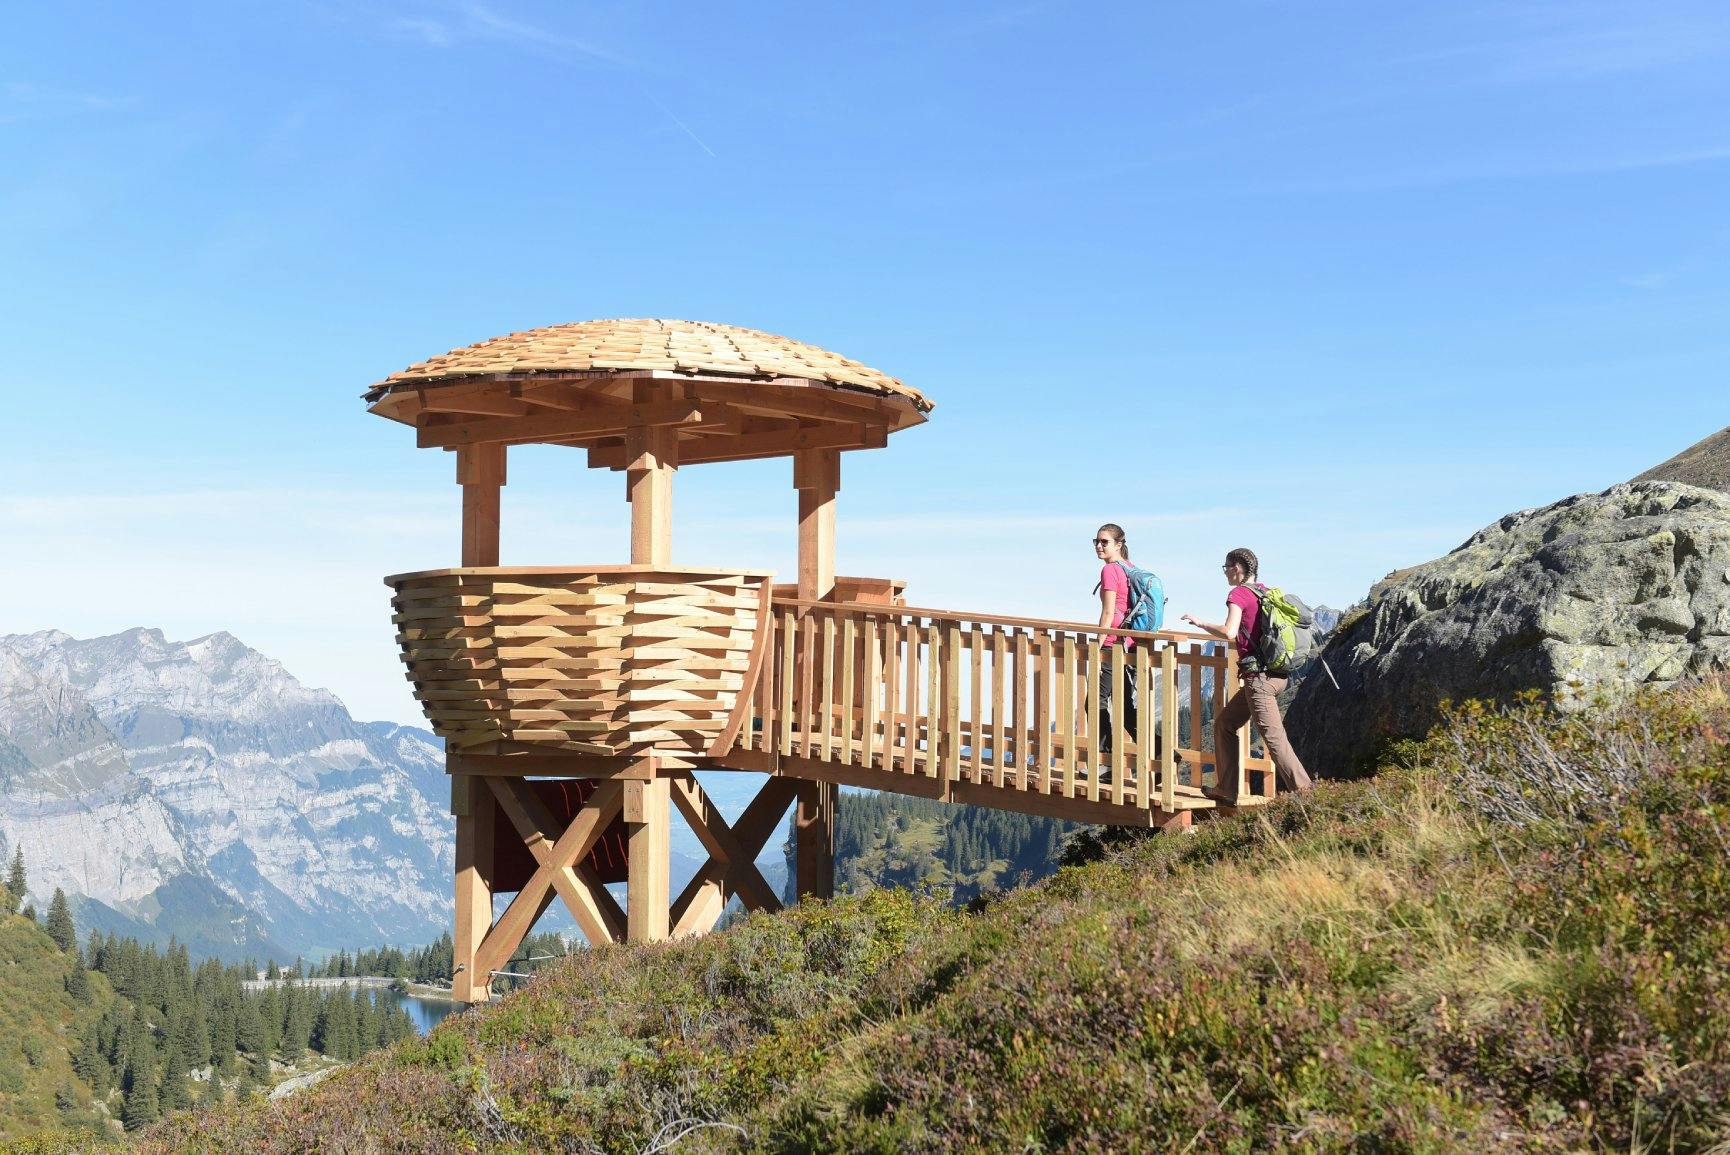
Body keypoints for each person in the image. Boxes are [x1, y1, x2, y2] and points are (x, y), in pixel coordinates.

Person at [1180, 547, 1313, 802]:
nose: (1225, 573)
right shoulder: (1265, 592)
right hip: (1277, 676)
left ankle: (1306, 795)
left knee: (1274, 739)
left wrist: (1201, 623)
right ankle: (1227, 790)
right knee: (1224, 724)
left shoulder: (1239, 594)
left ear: (1237, 568)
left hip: (1259, 680)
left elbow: (1229, 631)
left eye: (1226, 567)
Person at [1091, 524, 1139, 755]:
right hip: (1128, 642)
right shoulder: (1130, 568)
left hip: (1112, 643)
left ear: (1118, 544)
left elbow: (1109, 613)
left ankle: (1105, 761)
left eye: (1104, 542)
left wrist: (1097, 646)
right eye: (1096, 541)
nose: (1099, 546)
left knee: (1095, 701)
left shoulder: (1110, 570)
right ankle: (1164, 754)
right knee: (1124, 708)